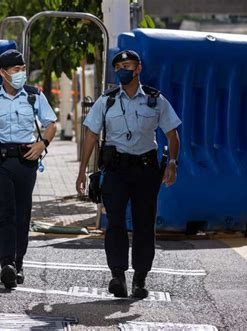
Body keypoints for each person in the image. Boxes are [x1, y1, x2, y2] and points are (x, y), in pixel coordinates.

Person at [76, 50, 181, 299]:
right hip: (115, 171)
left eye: (128, 65)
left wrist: (173, 163)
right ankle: (117, 276)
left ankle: (140, 279)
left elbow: (172, 134)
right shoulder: (107, 100)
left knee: (144, 224)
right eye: (119, 66)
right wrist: (82, 170)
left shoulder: (156, 100)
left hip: (146, 171)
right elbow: (91, 134)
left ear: (138, 68)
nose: (123, 69)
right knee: (114, 223)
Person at [0, 49, 57, 289]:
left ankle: (19, 260)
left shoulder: (34, 96)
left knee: (22, 213)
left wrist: (42, 144)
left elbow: (50, 124)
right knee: (4, 212)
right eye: (16, 70)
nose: (21, 74)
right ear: (3, 73)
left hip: (26, 161)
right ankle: (6, 264)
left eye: (23, 69)